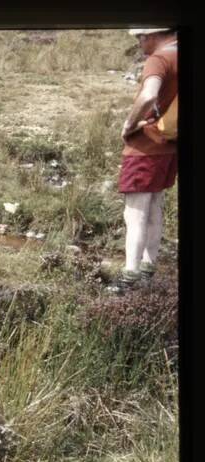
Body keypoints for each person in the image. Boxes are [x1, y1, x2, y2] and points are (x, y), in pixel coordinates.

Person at [109, 27, 178, 294]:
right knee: (156, 205)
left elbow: (149, 94)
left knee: (136, 211)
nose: (139, 43)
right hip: (169, 144)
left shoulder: (159, 59)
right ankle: (149, 269)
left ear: (152, 35)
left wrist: (129, 124)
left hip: (146, 145)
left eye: (140, 37)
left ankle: (130, 276)